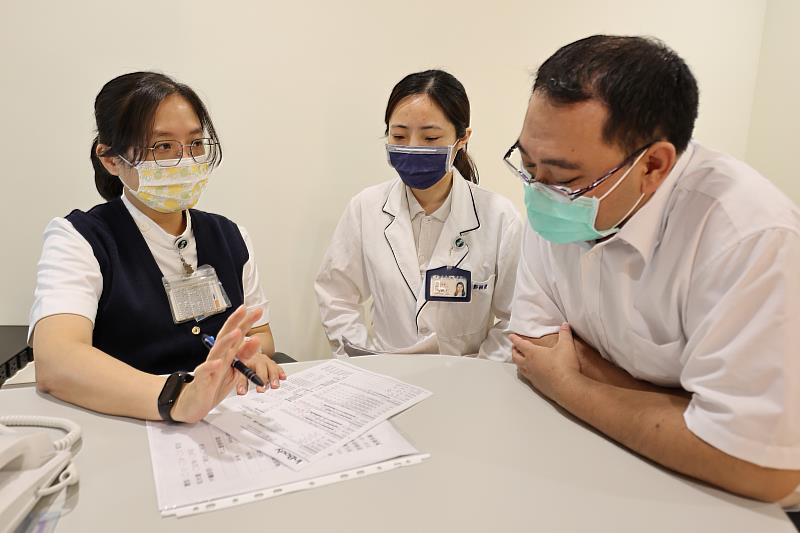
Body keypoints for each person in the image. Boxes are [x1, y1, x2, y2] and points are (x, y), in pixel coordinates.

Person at [506, 35, 800, 505]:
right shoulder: (559, 201)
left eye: (563, 177)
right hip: (597, 465)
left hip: (727, 503)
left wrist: (571, 384)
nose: (538, 191)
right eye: (526, 163)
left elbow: (760, 467)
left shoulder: (749, 236)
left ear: (654, 165)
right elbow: (534, 349)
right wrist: (681, 413)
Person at [30, 72, 285, 423]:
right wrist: (178, 398)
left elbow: (260, 335)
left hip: (225, 422)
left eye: (195, 145)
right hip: (126, 426)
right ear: (110, 159)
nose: (185, 161)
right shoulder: (79, 238)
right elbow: (56, 362)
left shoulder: (230, 235)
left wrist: (250, 356)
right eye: (163, 147)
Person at [315, 70, 521, 360]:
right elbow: (335, 296)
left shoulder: (499, 218)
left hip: (468, 383)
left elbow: (517, 317)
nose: (412, 147)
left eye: (430, 137)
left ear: (462, 139)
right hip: (386, 381)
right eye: (399, 135)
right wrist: (366, 361)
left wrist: (480, 371)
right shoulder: (366, 208)